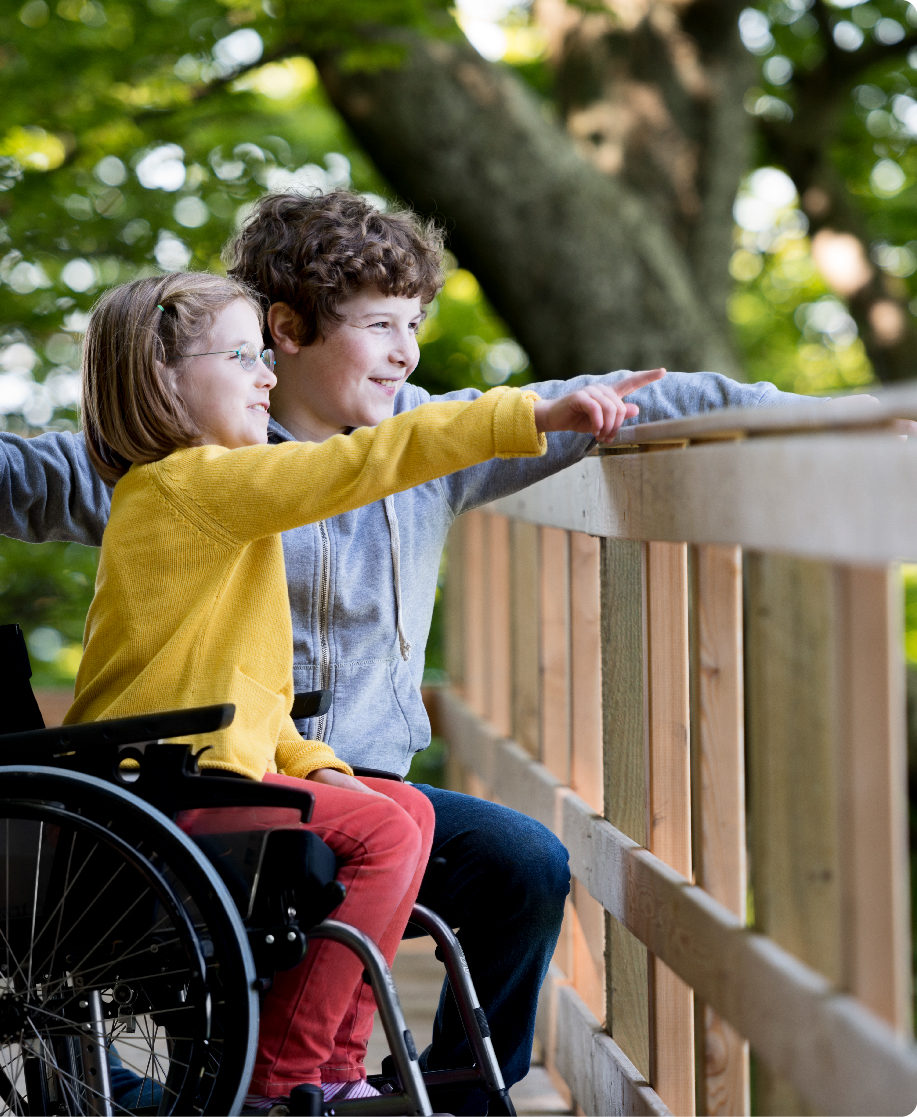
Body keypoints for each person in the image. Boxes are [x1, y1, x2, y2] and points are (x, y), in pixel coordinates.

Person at [0, 190, 801, 1114]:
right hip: (208, 789)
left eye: (415, 325)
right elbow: (15, 468)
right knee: (309, 868)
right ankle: (264, 1083)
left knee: (523, 862)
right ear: (285, 329)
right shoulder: (181, 460)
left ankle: (451, 1089)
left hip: (334, 775)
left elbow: (612, 398)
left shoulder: (426, 442)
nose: (407, 352)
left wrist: (791, 418)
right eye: (379, 324)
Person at [56, 268, 657, 1108]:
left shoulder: (214, 500)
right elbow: (363, 463)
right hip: (156, 792)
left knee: (398, 810)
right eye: (241, 356)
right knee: (382, 828)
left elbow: (246, 690)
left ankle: (334, 1069)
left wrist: (316, 761)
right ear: (165, 379)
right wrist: (521, 416)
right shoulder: (186, 485)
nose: (266, 375)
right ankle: (287, 1073)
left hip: (201, 769)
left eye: (265, 355)